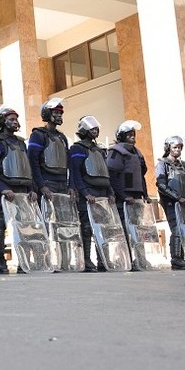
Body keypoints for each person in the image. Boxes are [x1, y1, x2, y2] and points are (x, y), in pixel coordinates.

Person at [0, 106, 37, 274]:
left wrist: (31, 189)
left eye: (16, 119)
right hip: (4, 193)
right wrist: (2, 189)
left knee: (24, 229)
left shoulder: (21, 143)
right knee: (0, 227)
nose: (15, 122)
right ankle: (0, 262)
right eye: (11, 119)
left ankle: (24, 263)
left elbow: (26, 167)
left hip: (22, 191)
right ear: (2, 121)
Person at [68, 116, 115, 272]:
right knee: (87, 228)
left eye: (96, 129)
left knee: (103, 228)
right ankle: (87, 260)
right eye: (92, 129)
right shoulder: (77, 149)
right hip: (87, 195)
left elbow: (105, 174)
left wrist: (111, 192)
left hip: (102, 193)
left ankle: (103, 260)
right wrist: (84, 192)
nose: (95, 131)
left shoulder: (99, 149)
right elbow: (76, 173)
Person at [106, 120, 150, 271]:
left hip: (136, 198)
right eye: (129, 134)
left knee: (137, 230)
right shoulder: (116, 152)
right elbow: (112, 176)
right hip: (123, 199)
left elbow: (141, 175)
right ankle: (126, 259)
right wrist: (123, 195)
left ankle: (141, 259)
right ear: (122, 136)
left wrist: (145, 194)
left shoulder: (137, 153)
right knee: (124, 230)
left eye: (133, 134)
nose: (132, 137)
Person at [155, 135, 185, 270]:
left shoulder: (183, 165)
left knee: (183, 230)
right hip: (171, 203)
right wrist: (177, 197)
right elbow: (161, 185)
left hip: (184, 204)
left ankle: (181, 258)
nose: (177, 150)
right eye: (175, 147)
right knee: (176, 229)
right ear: (168, 148)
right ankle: (176, 259)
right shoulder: (162, 164)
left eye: (180, 147)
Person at [27, 98, 71, 200]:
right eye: (56, 112)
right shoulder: (38, 135)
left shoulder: (62, 137)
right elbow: (33, 162)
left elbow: (69, 163)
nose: (59, 115)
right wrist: (41, 185)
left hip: (63, 182)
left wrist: (71, 186)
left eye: (60, 113)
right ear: (47, 113)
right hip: (47, 182)